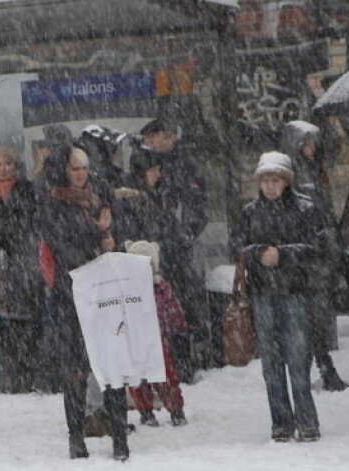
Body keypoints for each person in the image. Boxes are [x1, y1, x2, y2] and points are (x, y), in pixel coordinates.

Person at [41, 144, 129, 461]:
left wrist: (111, 233)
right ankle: (76, 437)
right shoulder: (54, 203)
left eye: (84, 167)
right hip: (72, 294)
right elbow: (62, 245)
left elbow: (124, 228)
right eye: (74, 167)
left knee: (112, 366)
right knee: (76, 371)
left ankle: (121, 438)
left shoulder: (100, 197)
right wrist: (97, 234)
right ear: (63, 171)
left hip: (105, 292)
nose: (80, 173)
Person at [233, 152, 322, 443]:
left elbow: (318, 249)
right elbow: (238, 247)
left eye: (276, 180)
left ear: (286, 181)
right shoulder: (249, 212)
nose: (270, 186)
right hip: (262, 294)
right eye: (266, 180)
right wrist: (259, 252)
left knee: (298, 360)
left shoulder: (306, 209)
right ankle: (281, 423)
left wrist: (283, 253)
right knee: (271, 363)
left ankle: (307, 421)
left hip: (295, 293)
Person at [113, 149, 194, 382]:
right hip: (146, 271)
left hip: (157, 266)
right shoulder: (132, 200)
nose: (158, 175)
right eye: (154, 170)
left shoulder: (151, 195)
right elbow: (140, 236)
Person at [138, 117, 210, 373]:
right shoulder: (142, 164)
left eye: (164, 136)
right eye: (153, 138)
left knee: (182, 303)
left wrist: (187, 233)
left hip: (179, 248)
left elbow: (198, 204)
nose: (153, 142)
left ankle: (187, 359)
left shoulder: (185, 164)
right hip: (152, 247)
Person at [280, 120, 347, 391]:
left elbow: (325, 210)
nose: (312, 148)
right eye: (307, 142)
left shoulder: (315, 170)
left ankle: (321, 364)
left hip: (320, 254)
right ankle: (316, 366)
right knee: (308, 317)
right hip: (305, 257)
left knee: (317, 314)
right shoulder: (293, 173)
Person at [0, 145, 42, 393]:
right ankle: (11, 375)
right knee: (4, 320)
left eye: (7, 164)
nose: (3, 168)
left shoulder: (26, 190)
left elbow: (27, 222)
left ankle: (31, 372)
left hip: (23, 258)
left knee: (28, 317)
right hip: (0, 260)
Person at [125, 241, 188, 427]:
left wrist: (180, 327)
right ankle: (145, 412)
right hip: (135, 343)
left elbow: (173, 308)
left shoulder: (161, 287)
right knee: (138, 381)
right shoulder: (127, 290)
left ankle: (176, 409)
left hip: (159, 342)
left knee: (166, 378)